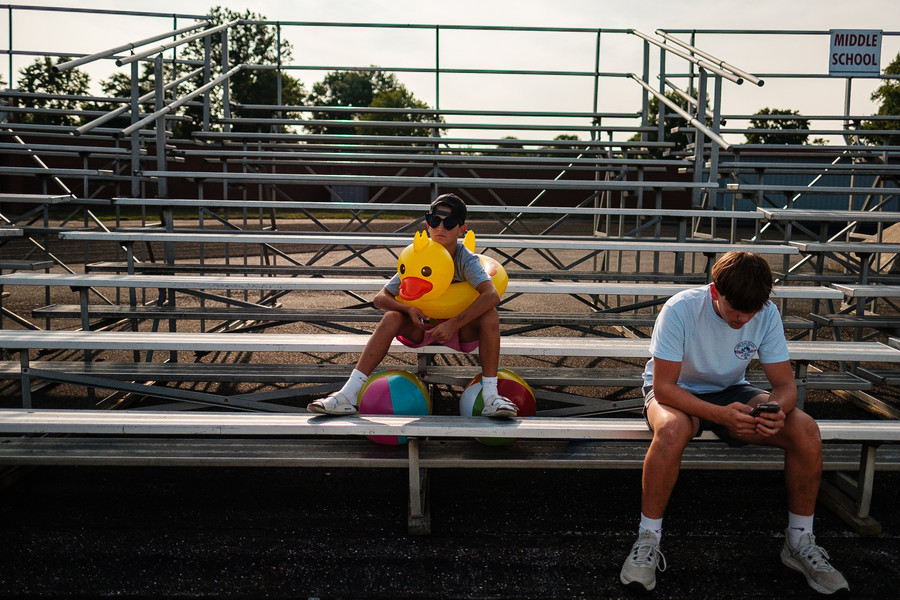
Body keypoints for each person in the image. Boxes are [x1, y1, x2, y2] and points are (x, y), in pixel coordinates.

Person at [619, 251, 849, 595]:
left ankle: (800, 542)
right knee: (672, 429)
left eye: (751, 311)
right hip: (676, 392)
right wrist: (721, 416)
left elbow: (785, 387)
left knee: (805, 429)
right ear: (715, 292)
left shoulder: (765, 312)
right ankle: (647, 539)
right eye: (735, 310)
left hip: (731, 390)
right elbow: (663, 387)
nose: (743, 318)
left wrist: (774, 411)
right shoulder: (681, 308)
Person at [307, 193, 518, 418]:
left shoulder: (466, 260)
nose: (440, 227)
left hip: (461, 329)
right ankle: (348, 395)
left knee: (490, 316)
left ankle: (491, 397)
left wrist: (453, 324)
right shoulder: (420, 256)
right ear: (428, 225)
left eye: (449, 222)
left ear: (461, 229)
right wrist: (407, 309)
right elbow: (380, 298)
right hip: (423, 325)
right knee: (391, 317)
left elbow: (491, 295)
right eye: (435, 221)